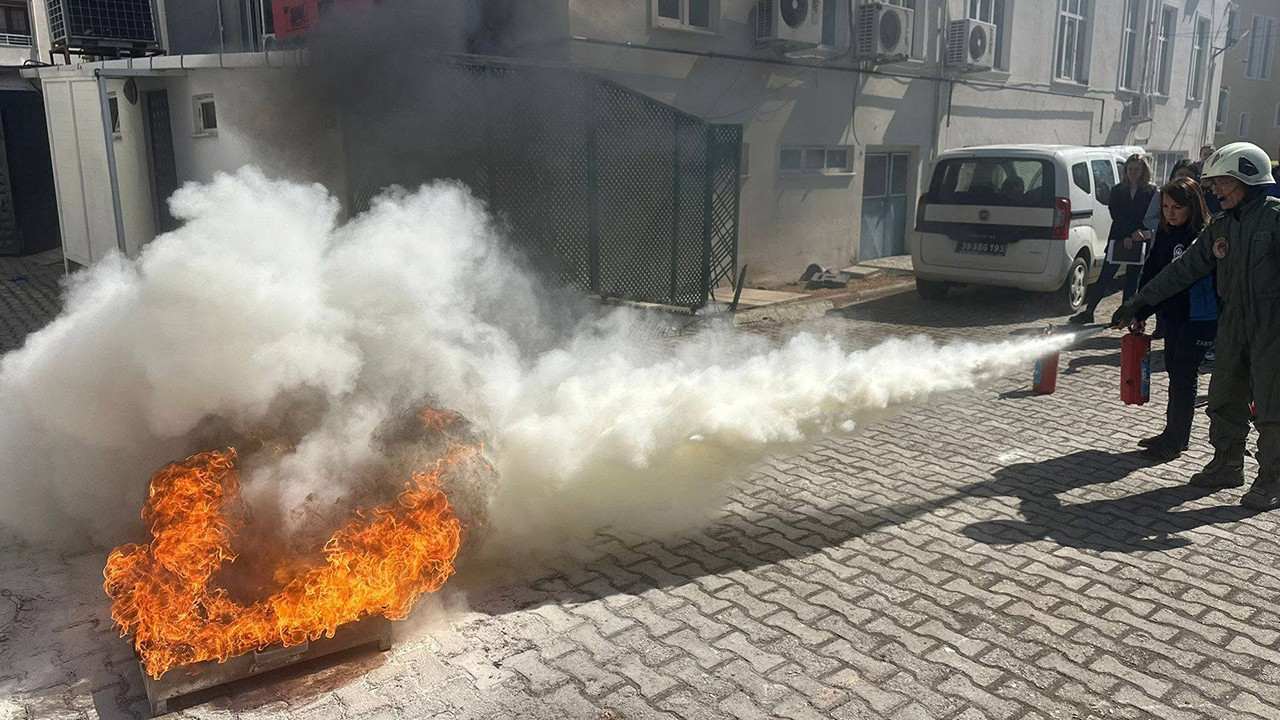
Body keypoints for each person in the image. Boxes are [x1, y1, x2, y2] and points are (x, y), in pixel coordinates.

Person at [1111, 142, 1280, 510]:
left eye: (1222, 182)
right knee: (1224, 397)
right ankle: (1227, 465)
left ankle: (1272, 480)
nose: (1215, 190)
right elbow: (1184, 269)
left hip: (1272, 326)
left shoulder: (1274, 219)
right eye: (1213, 184)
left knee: (1272, 405)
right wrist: (1140, 302)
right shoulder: (1221, 225)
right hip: (1233, 322)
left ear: (1248, 179)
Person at [1132, 177, 1217, 462]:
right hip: (1174, 316)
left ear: (1193, 206)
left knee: (1183, 374)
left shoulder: (1205, 235)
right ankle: (1171, 433)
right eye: (1166, 206)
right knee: (1173, 371)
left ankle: (1177, 440)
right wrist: (1139, 311)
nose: (1170, 213)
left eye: (1177, 207)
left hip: (1200, 317)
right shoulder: (1165, 231)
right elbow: (1152, 272)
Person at [1069, 154, 1157, 324]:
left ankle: (1125, 314)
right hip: (1119, 236)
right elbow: (1116, 214)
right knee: (1105, 276)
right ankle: (1089, 311)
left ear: (1143, 171)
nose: (1133, 172)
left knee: (1132, 279)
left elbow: (1150, 215)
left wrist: (1136, 234)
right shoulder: (1117, 190)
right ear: (1126, 170)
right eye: (1130, 169)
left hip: (1140, 238)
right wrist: (1128, 234)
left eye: (1137, 169)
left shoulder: (1151, 191)